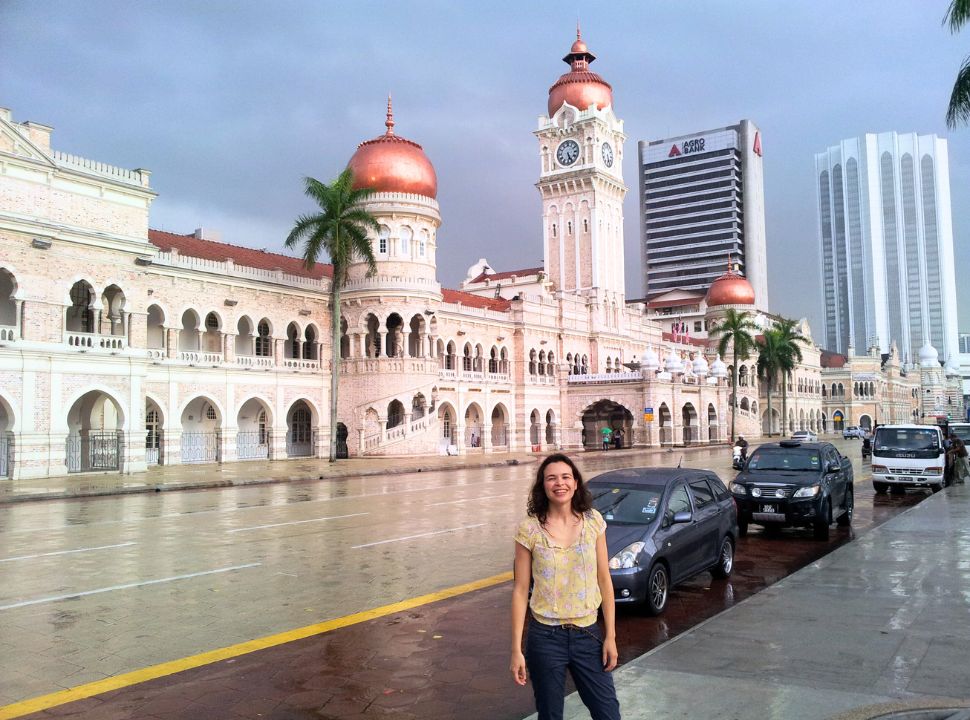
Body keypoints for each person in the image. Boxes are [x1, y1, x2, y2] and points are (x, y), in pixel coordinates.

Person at [510, 453, 621, 720]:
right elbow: (520, 590)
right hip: (545, 638)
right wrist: (516, 649)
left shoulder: (593, 521)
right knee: (550, 715)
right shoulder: (530, 530)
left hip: (588, 635)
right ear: (543, 486)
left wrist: (611, 637)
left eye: (565, 477)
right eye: (551, 478)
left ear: (575, 483)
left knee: (608, 713)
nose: (559, 483)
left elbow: (604, 579)